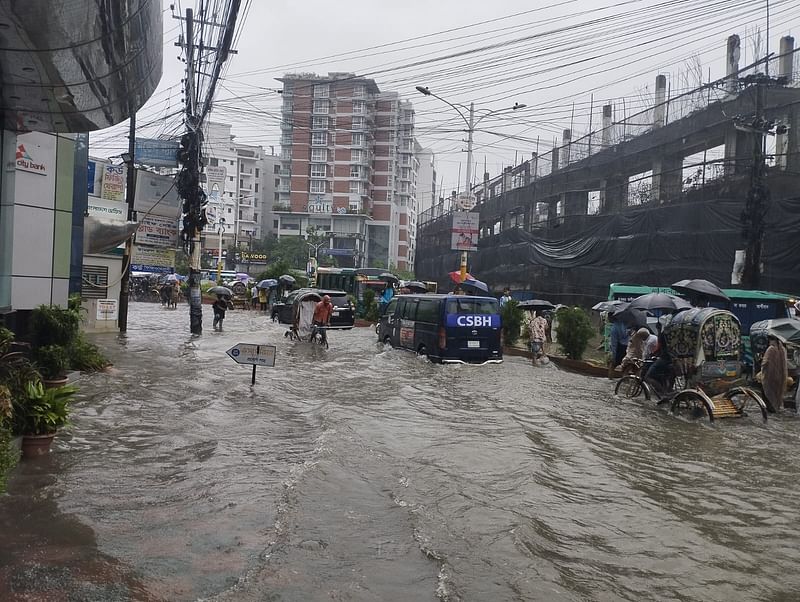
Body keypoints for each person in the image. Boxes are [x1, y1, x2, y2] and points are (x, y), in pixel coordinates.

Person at [757, 335, 788, 412]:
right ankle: (776, 408)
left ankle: (770, 409)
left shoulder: (771, 349)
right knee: (777, 393)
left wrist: (760, 360)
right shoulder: (783, 349)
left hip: (770, 376)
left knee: (768, 393)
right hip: (781, 376)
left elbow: (765, 362)